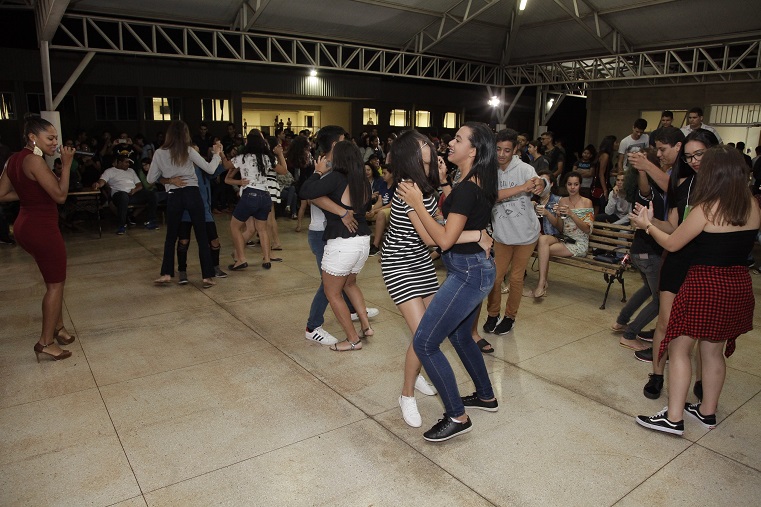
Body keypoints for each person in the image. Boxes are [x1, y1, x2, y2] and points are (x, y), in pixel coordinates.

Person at [633, 146, 759, 436]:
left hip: (705, 284)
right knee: (713, 352)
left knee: (679, 347)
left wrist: (647, 225)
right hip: (738, 284)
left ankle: (674, 418)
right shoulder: (752, 206)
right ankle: (707, 412)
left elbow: (674, 243)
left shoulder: (707, 208)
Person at [397, 122, 498, 442]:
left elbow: (442, 239)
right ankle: (485, 396)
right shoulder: (471, 181)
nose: (449, 144)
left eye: (458, 139)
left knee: (426, 342)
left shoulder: (468, 187)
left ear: (474, 150)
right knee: (460, 337)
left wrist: (415, 205)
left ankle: (456, 415)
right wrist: (441, 186)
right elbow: (449, 229)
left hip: (468, 274)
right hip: (473, 269)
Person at [628, 128, 718, 402]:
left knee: (706, 331)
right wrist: (648, 221)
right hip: (679, 259)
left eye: (699, 154)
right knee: (666, 323)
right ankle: (657, 374)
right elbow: (673, 227)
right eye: (690, 156)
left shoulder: (725, 186)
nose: (693, 161)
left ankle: (702, 382)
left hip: (710, 263)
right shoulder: (685, 186)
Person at [0, 115, 77, 361]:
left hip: (24, 226)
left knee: (52, 278)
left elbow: (1, 194)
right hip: (41, 229)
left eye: (56, 138)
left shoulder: (13, 159)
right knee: (55, 284)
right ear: (33, 137)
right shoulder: (34, 161)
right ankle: (46, 342)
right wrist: (65, 165)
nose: (56, 143)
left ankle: (58, 326)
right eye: (50, 138)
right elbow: (61, 196)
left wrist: (29, 195)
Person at [300, 140, 374, 351]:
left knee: (332, 293)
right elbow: (366, 208)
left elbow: (306, 191)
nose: (328, 158)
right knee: (350, 284)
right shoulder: (363, 181)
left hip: (342, 243)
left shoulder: (335, 178)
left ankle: (352, 340)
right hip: (362, 242)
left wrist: (317, 172)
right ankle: (366, 327)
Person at [483, 129, 546, 338]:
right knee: (496, 278)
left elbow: (542, 185)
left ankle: (510, 317)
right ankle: (493, 314)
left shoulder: (526, 169)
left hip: (526, 234)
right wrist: (521, 188)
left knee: (517, 279)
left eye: (507, 150)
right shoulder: (489, 170)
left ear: (515, 150)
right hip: (502, 234)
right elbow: (491, 197)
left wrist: (541, 184)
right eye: (498, 149)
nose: (502, 154)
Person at [148, 121, 222, 288]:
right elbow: (210, 169)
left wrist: (169, 180)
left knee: (171, 237)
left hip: (174, 194)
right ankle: (207, 277)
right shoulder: (188, 150)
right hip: (192, 193)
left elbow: (150, 179)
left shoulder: (159, 153)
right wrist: (217, 154)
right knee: (202, 235)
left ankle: (166, 274)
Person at [223, 129, 287, 271]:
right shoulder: (267, 157)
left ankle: (240, 259)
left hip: (250, 195)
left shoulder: (243, 157)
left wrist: (221, 154)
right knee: (262, 229)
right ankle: (266, 259)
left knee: (235, 226)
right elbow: (284, 170)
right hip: (265, 195)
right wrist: (280, 154)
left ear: (247, 141)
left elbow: (226, 166)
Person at [528, 171, 594, 298]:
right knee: (543, 240)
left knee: (544, 249)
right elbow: (560, 227)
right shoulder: (562, 201)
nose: (572, 187)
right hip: (565, 239)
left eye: (575, 184)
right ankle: (542, 284)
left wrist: (571, 214)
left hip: (579, 242)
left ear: (580, 185)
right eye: (569, 184)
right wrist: (557, 215)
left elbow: (587, 230)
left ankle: (541, 285)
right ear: (566, 185)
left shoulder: (587, 202)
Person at [92, 154, 159, 234]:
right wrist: (98, 184)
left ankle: (151, 221)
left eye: (129, 162)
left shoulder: (131, 170)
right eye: (126, 162)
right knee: (123, 197)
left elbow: (139, 185)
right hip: (119, 194)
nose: (128, 164)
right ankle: (121, 225)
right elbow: (102, 181)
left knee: (152, 194)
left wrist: (134, 190)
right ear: (119, 162)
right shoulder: (109, 171)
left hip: (132, 194)